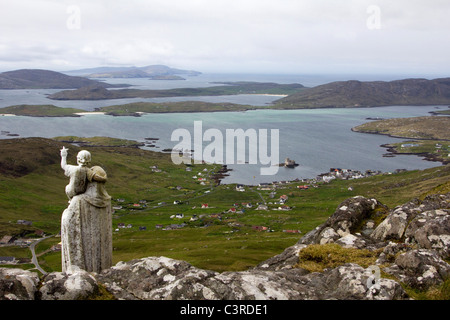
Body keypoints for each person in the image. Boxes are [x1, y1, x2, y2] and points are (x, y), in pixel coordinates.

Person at [60, 147, 112, 273]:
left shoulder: (79, 198)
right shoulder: (105, 200)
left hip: (81, 265)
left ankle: (76, 271)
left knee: (66, 217)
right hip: (101, 263)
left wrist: (64, 156)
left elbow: (74, 190)